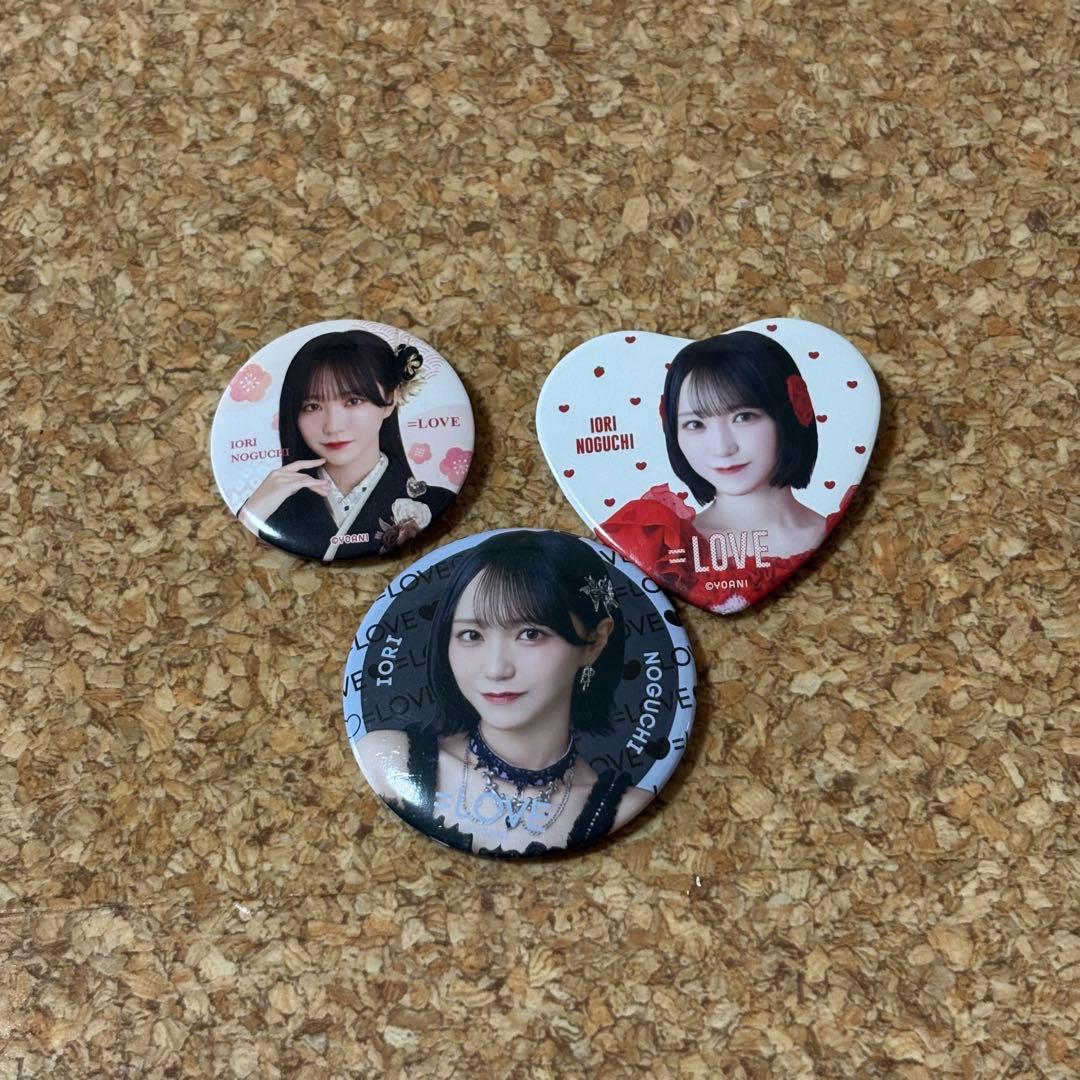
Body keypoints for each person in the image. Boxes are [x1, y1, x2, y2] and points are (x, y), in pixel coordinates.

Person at [354, 531, 652, 856]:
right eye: (471, 635)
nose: (496, 669)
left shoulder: (623, 809)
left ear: (594, 643)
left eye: (530, 634)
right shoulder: (389, 759)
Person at [599, 331, 854, 612]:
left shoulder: (847, 533)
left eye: (743, 417)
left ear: (791, 413)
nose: (722, 448)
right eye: (695, 424)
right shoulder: (657, 545)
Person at [237, 329, 452, 560]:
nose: (333, 427)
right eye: (312, 406)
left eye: (353, 401)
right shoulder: (267, 509)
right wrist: (253, 511)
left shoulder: (433, 502)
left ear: (390, 399)